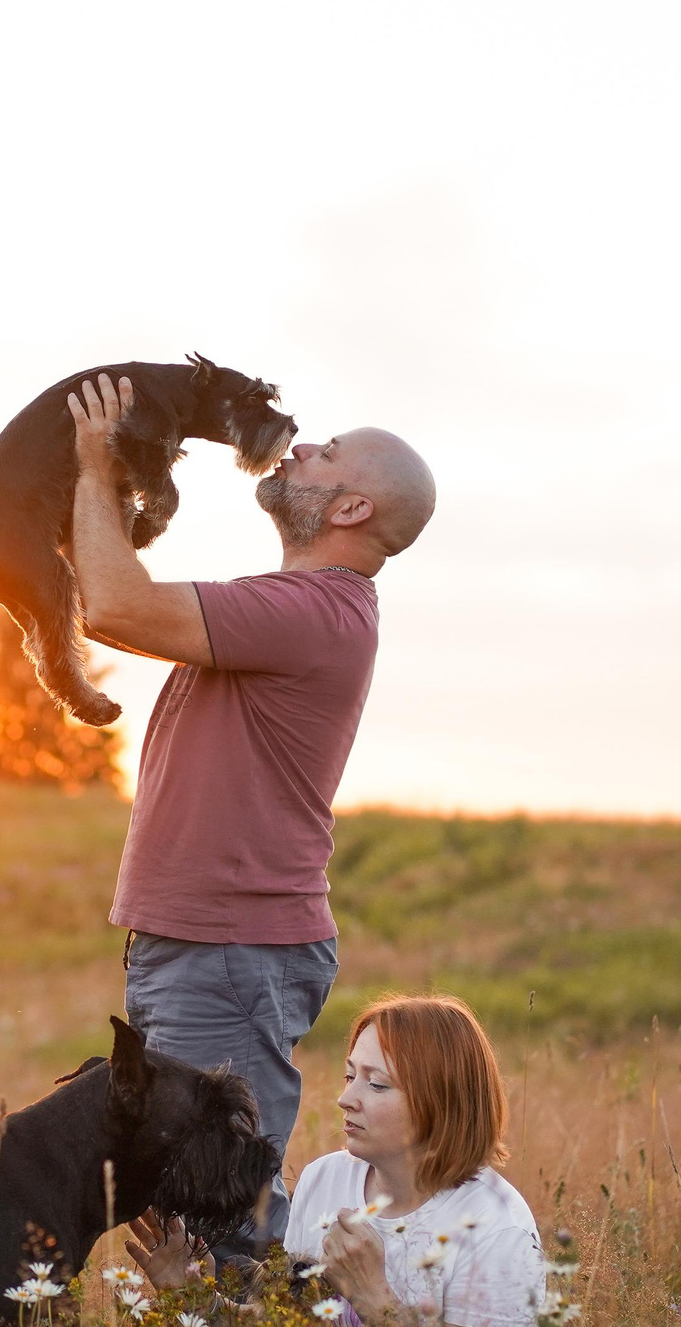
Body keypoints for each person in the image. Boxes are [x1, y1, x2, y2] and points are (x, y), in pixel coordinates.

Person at [66, 373, 437, 1262]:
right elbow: (111, 596)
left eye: (326, 452)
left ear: (349, 506)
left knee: (223, 1208)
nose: (300, 446)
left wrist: (93, 466)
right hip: (208, 945)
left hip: (228, 949)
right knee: (186, 1201)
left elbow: (113, 604)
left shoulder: (309, 612)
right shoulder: (293, 607)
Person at [130, 995, 553, 1327]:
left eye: (377, 1085)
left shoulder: (495, 1228)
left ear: (441, 1100)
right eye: (350, 1076)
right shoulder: (325, 1179)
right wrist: (196, 1298)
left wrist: (373, 1298)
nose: (345, 1099)